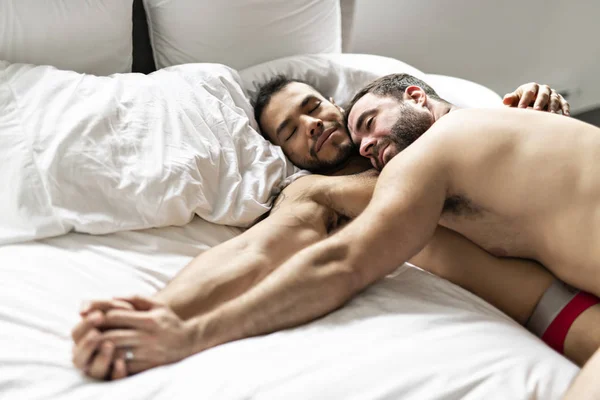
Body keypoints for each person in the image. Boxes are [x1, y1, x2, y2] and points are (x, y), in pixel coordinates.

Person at [71, 76, 590, 382]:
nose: (312, 126)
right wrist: (159, 315)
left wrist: (537, 97)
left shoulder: (436, 139)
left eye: (314, 107)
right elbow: (259, 253)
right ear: (285, 154)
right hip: (568, 313)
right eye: (290, 131)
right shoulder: (318, 192)